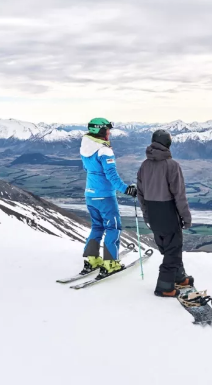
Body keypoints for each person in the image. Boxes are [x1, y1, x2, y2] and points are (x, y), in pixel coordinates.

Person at [136, 129, 193, 297]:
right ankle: (164, 286)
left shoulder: (144, 165)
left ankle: (179, 276)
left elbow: (140, 193)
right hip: (168, 211)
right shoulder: (172, 165)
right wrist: (186, 217)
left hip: (153, 212)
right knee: (173, 249)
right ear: (168, 144)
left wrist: (147, 214)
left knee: (168, 246)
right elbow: (179, 195)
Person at [80, 117, 137, 276]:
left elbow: (87, 169)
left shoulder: (85, 147)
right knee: (113, 228)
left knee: (97, 226)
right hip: (105, 197)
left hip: (90, 195)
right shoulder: (104, 150)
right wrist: (126, 189)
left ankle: (91, 260)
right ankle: (110, 263)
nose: (109, 133)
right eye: (107, 129)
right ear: (100, 130)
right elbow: (111, 175)